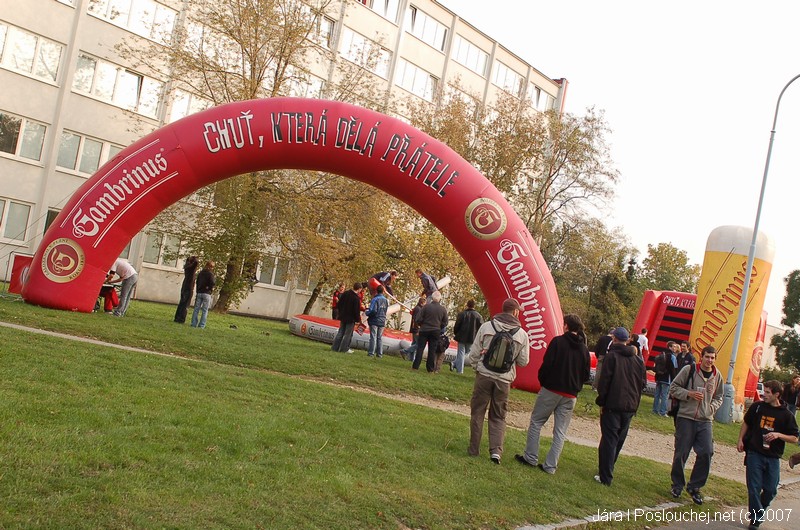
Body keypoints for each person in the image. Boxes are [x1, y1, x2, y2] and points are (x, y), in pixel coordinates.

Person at [515, 314, 591, 474]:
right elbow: (586, 375)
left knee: (536, 422)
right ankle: (550, 466)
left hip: (552, 389)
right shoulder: (584, 349)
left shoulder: (558, 342)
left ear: (566, 326)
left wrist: (543, 381)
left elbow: (547, 364)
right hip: (571, 394)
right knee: (560, 431)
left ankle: (530, 457)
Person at [468, 298, 530, 464]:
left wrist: (478, 368)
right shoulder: (522, 334)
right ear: (516, 312)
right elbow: (524, 361)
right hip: (504, 380)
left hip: (484, 375)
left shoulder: (487, 326)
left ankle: (474, 449)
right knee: (498, 416)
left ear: (502, 310)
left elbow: (473, 354)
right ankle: (496, 452)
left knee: (478, 411)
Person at [737, 380, 799, 529]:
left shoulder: (786, 415)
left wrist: (778, 435)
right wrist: (740, 439)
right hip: (754, 452)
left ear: (777, 394)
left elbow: (794, 438)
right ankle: (755, 518)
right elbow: (746, 422)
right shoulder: (757, 407)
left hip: (773, 457)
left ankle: (758, 512)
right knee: (754, 487)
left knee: (771, 490)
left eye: (768, 392)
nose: (764, 394)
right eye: (764, 391)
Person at [668, 345, 724, 505]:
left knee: (707, 452)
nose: (710, 360)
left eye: (712, 358)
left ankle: (695, 487)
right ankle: (677, 485)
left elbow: (719, 396)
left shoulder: (717, 375)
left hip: (705, 420)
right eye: (707, 357)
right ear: (702, 357)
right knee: (681, 452)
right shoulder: (689, 369)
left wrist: (711, 408)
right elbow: (673, 388)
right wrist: (688, 394)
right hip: (686, 417)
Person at [594, 326, 646, 485]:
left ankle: (605, 476)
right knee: (618, 440)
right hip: (630, 406)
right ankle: (608, 469)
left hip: (613, 404)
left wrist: (601, 401)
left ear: (614, 339)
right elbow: (643, 383)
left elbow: (605, 381)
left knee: (609, 440)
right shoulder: (638, 360)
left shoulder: (612, 357)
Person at [412, 290, 448, 372]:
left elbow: (418, 318)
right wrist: (439, 326)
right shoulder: (443, 309)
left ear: (432, 297)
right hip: (435, 331)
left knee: (420, 348)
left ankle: (415, 366)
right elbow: (445, 322)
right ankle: (430, 369)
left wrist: (421, 324)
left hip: (424, 329)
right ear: (440, 299)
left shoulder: (426, 307)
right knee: (432, 350)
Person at [452, 300, 483, 374]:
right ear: (474, 306)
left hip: (462, 336)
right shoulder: (478, 316)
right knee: (467, 352)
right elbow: (481, 328)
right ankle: (457, 367)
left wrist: (456, 333)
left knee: (461, 353)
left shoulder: (462, 314)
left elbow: (457, 325)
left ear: (467, 305)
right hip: (472, 337)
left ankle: (458, 368)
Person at [332, 283, 363, 353]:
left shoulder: (345, 293)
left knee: (340, 332)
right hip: (351, 319)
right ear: (359, 289)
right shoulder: (356, 298)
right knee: (347, 335)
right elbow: (356, 311)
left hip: (343, 316)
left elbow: (339, 304)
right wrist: (358, 320)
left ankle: (335, 348)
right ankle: (344, 349)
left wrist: (341, 312)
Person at [652, 341, 678, 416]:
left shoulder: (661, 354)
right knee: (665, 395)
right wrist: (674, 379)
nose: (675, 348)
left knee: (657, 394)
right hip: (667, 378)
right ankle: (663, 412)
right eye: (673, 346)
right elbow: (673, 369)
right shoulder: (672, 356)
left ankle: (655, 410)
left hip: (659, 377)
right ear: (670, 347)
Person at [174, 256, 199, 323]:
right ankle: (181, 319)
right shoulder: (192, 269)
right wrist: (195, 259)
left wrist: (191, 259)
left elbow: (194, 263)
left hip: (185, 286)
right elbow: (196, 263)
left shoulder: (187, 267)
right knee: (186, 304)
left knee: (181, 303)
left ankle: (177, 317)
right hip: (189, 287)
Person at [365, 285, 389, 358]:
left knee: (373, 336)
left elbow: (373, 310)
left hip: (374, 320)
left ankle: (371, 352)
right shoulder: (386, 300)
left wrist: (367, 312)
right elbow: (385, 310)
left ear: (376, 291)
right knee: (379, 337)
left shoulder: (375, 299)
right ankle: (379, 353)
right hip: (382, 320)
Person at [190, 261, 215, 329]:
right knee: (205, 310)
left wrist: (198, 290)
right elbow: (212, 283)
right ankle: (201, 325)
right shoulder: (210, 274)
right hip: (206, 293)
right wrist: (209, 288)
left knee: (196, 309)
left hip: (199, 292)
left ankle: (193, 324)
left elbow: (197, 282)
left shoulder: (201, 273)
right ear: (211, 267)